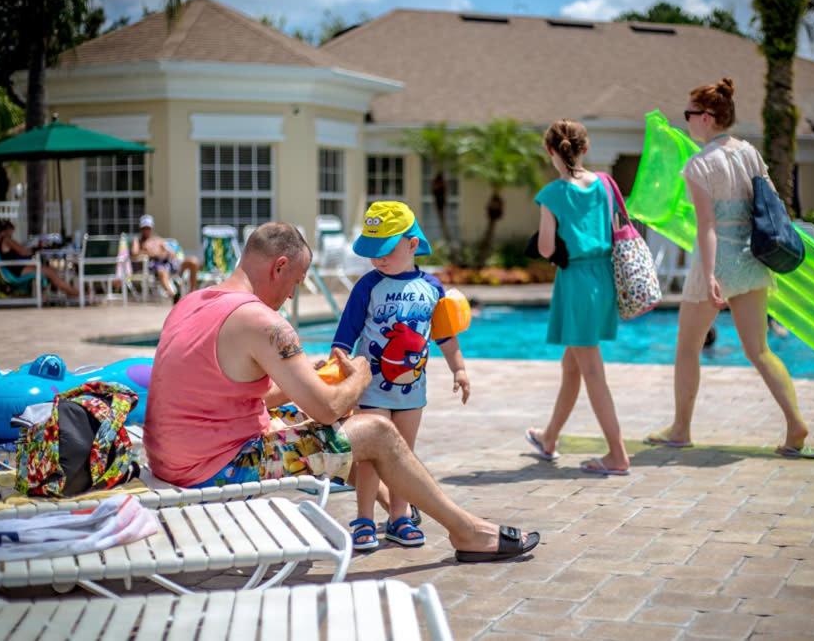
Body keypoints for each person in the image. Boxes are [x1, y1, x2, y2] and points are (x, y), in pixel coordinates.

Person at [143, 222, 536, 562]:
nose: (292, 296)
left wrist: (306, 380)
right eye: (296, 282)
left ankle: (392, 500)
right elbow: (329, 410)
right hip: (218, 470)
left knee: (322, 416)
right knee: (374, 430)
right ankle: (467, 532)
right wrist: (361, 375)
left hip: (171, 459)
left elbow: (239, 394)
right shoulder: (264, 322)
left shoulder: (193, 302)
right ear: (279, 267)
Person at [645, 78, 814, 458]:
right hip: (753, 259)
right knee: (760, 350)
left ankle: (680, 429)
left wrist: (709, 275)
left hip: (719, 262)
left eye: (689, 114)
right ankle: (795, 423)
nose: (687, 120)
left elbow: (707, 226)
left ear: (706, 117)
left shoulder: (699, 164)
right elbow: (770, 202)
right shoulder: (749, 153)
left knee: (687, 347)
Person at [331, 201, 470, 551]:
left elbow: (445, 336)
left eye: (386, 250)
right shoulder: (367, 286)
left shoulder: (432, 288)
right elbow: (345, 336)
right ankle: (364, 518)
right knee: (370, 456)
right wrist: (338, 372)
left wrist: (459, 369)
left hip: (411, 392)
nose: (378, 259)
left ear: (412, 244)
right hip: (371, 389)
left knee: (403, 456)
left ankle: (399, 517)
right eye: (373, 251)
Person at [524, 119, 630, 476]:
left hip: (576, 283)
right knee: (572, 366)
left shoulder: (553, 193)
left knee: (592, 371)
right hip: (604, 278)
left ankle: (618, 454)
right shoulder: (604, 184)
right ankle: (549, 438)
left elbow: (546, 248)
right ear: (585, 148)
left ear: (550, 150)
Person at [0, 220, 79, 298]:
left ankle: (68, 292)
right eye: (12, 231)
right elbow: (23, 251)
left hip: (11, 268)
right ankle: (74, 293)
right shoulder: (7, 240)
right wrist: (36, 248)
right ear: (7, 230)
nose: (12, 234)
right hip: (16, 269)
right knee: (51, 272)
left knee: (49, 270)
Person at [130, 214, 200, 303]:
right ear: (141, 228)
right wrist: (150, 253)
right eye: (144, 228)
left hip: (170, 263)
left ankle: (192, 293)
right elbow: (134, 253)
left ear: (151, 228)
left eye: (148, 228)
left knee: (193, 261)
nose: (146, 230)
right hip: (156, 265)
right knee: (162, 271)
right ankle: (174, 296)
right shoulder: (138, 241)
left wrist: (166, 253)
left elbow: (171, 252)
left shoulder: (158, 239)